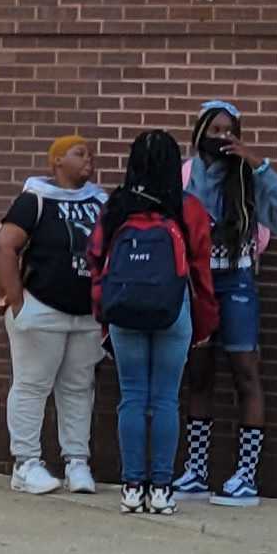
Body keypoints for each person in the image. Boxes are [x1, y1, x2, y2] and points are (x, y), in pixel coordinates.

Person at [174, 99, 277, 506]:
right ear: (199, 133)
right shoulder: (184, 174)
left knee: (245, 371)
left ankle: (245, 475)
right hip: (196, 283)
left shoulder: (248, 178)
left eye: (228, 131)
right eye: (213, 130)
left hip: (236, 281)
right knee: (197, 375)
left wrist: (259, 165)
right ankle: (196, 471)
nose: (221, 138)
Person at [0, 135, 108, 495]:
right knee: (32, 385)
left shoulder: (99, 201)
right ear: (57, 162)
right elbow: (6, 244)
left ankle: (77, 462)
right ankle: (26, 463)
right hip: (41, 307)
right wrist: (18, 302)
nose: (88, 159)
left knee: (79, 388)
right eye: (79, 154)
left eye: (90, 153)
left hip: (85, 313)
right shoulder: (35, 199)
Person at [94, 129, 207, 514]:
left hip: (124, 310)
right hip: (174, 310)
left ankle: (130, 487)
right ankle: (161, 489)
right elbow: (201, 272)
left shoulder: (116, 207)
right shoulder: (188, 208)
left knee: (131, 396)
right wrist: (205, 323)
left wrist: (102, 315)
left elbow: (96, 263)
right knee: (164, 399)